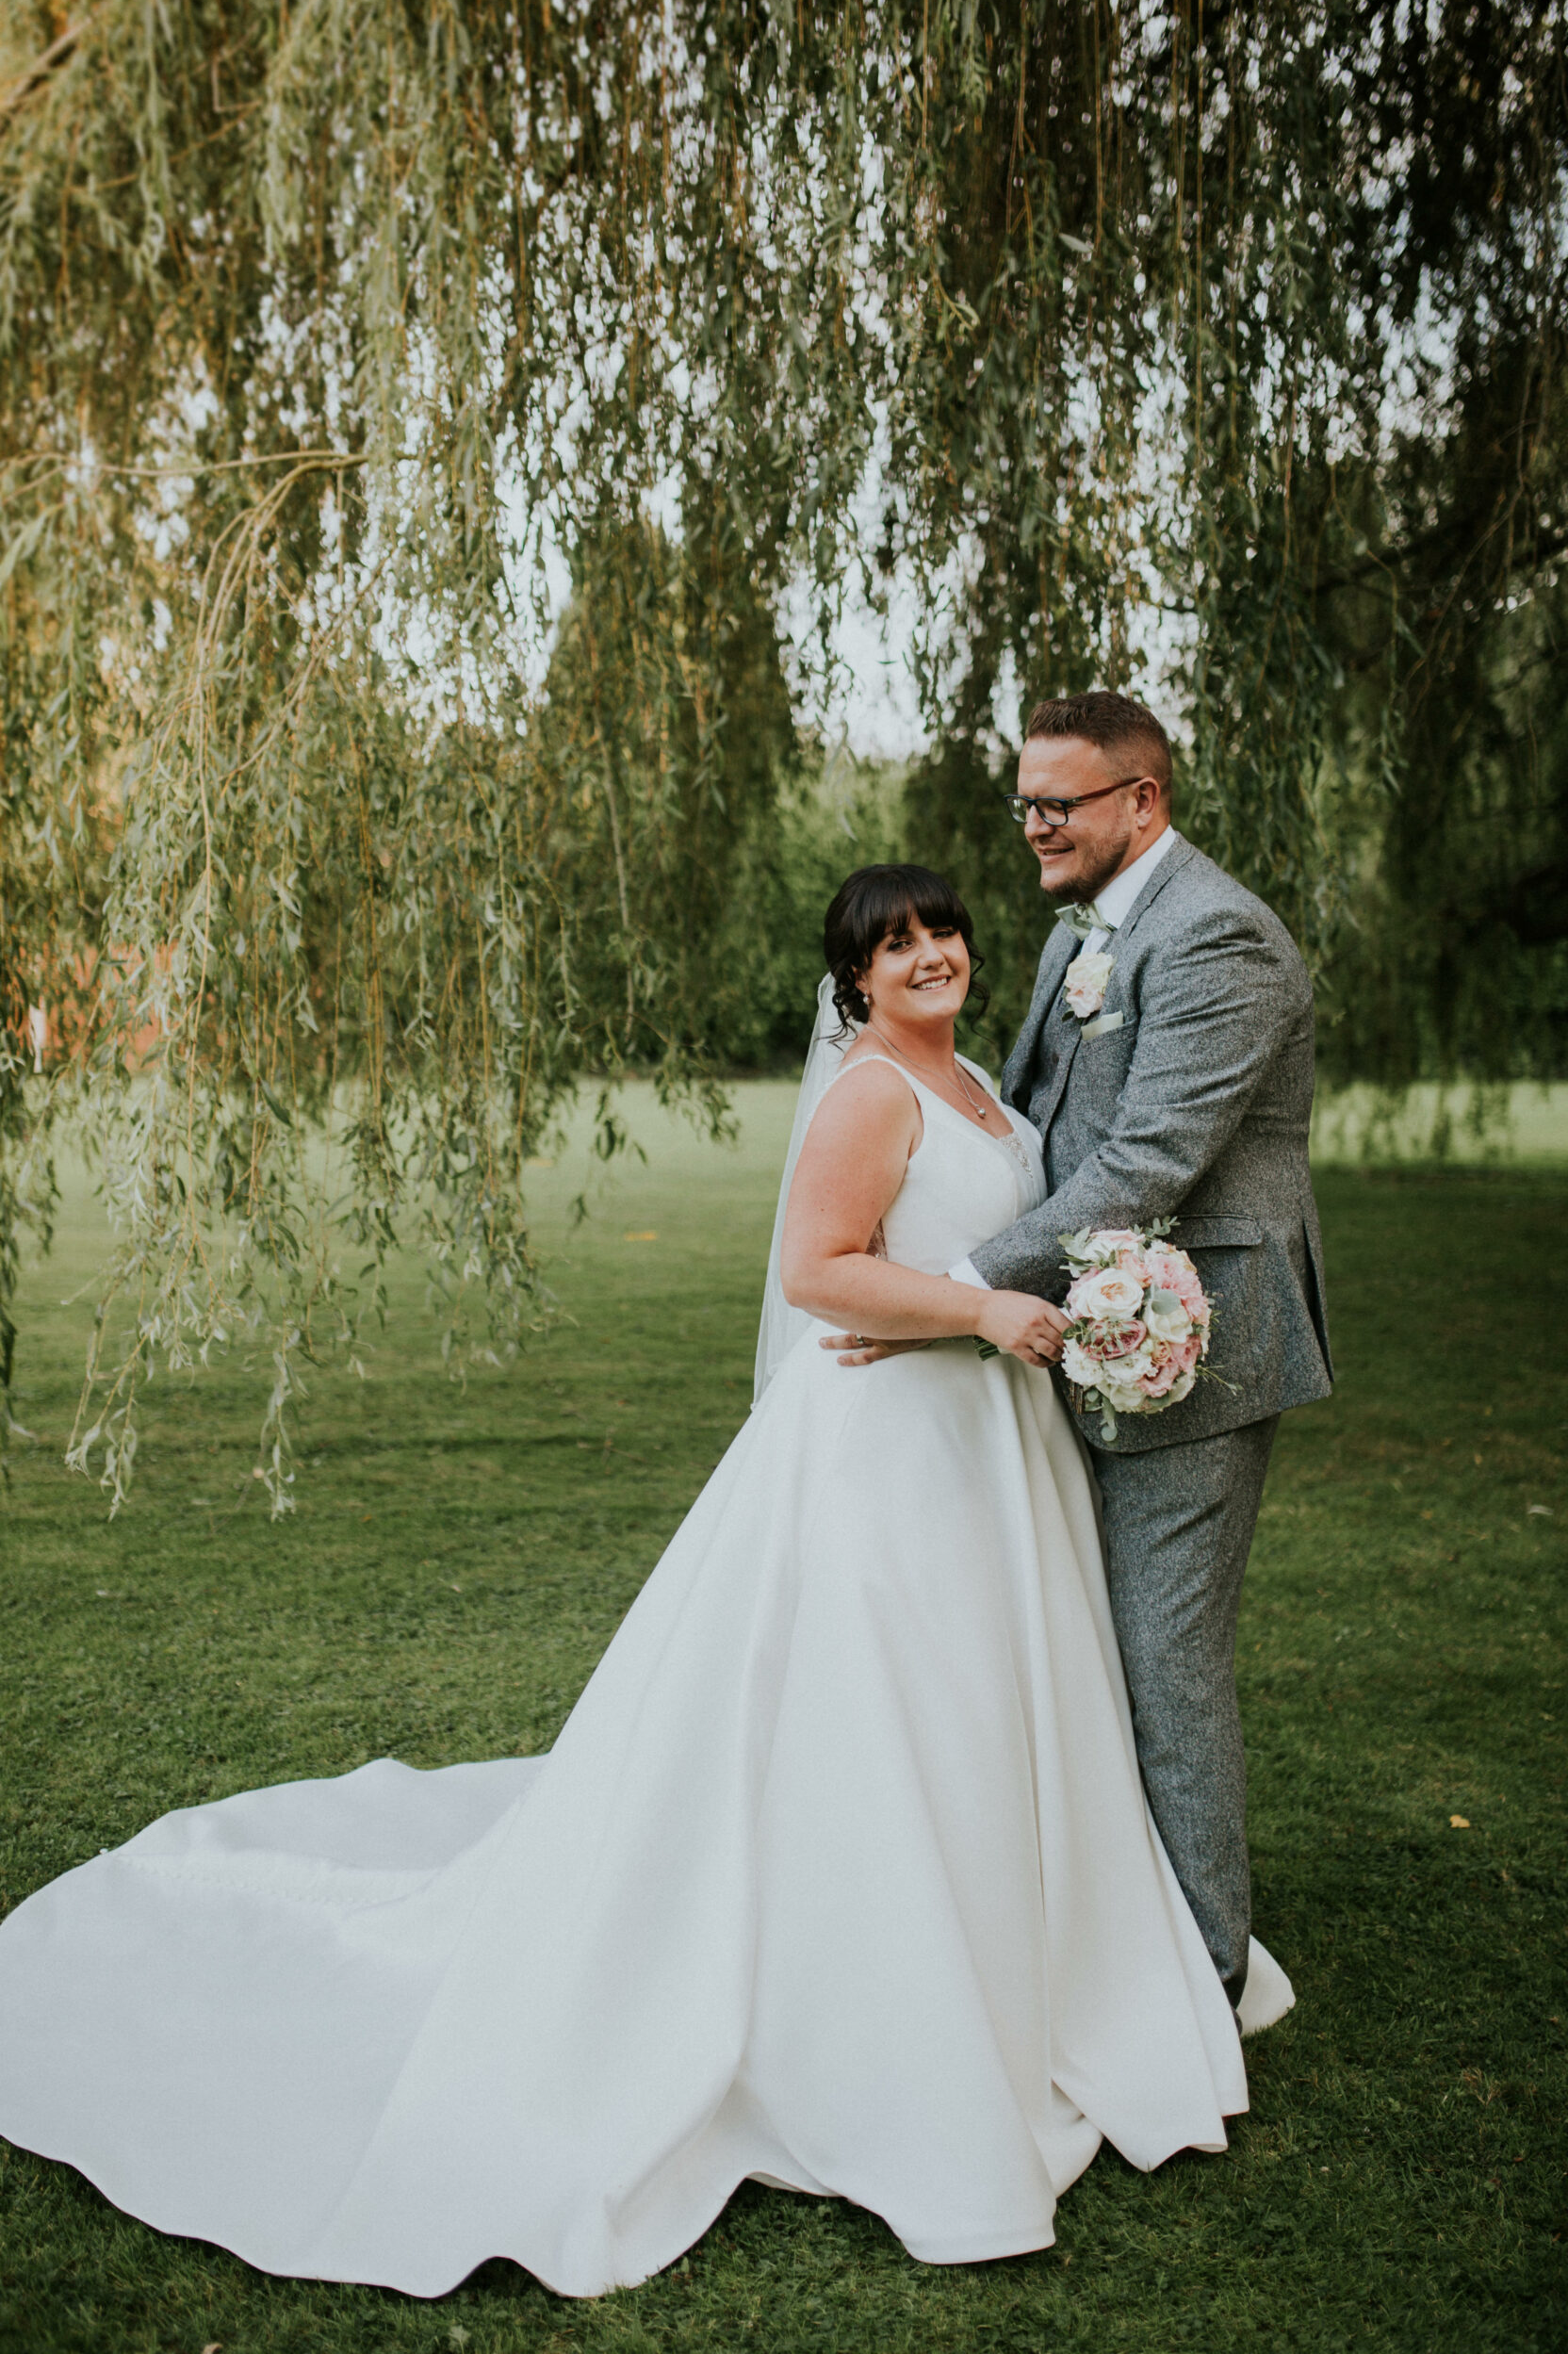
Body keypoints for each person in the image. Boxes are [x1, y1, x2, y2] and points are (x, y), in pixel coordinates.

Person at [0, 863, 1288, 2304]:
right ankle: (872, 2006)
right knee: (889, 1717)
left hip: (992, 1448)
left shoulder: (976, 1079)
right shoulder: (873, 1091)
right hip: (894, 1454)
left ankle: (1016, 1966)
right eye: (893, 945)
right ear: (852, 980)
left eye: (940, 932)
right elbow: (819, 1274)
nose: (928, 955)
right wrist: (984, 1309)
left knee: (991, 1715)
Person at [833, 695, 1332, 2011]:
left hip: (1197, 1337)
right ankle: (1102, 1928)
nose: (1036, 826)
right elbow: (1025, 1117)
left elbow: (1151, 1159)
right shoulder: (1077, 936)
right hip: (1076, 1323)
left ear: (1141, 802)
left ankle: (1203, 1975)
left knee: (1164, 1654)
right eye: (1026, 803)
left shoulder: (1218, 939)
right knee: (1079, 1636)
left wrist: (954, 1287)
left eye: (1060, 802)